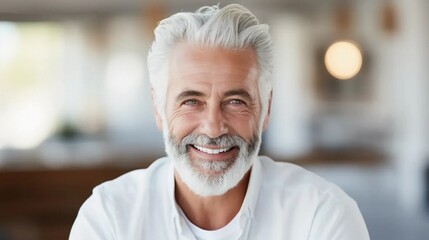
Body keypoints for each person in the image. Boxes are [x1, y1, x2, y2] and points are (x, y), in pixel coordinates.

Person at [70, 4, 370, 240]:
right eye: (191, 101)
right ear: (158, 109)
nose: (213, 128)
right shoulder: (109, 217)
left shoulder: (321, 214)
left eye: (236, 102)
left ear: (265, 111)